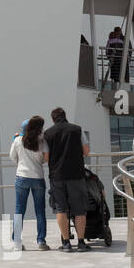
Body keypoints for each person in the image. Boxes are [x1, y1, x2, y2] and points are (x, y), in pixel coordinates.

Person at [44, 107, 92, 251]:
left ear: (53, 119)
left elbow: (46, 157)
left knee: (61, 209)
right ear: (65, 116)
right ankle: (82, 242)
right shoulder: (77, 129)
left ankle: (66, 243)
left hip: (57, 176)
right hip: (76, 174)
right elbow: (86, 151)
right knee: (80, 210)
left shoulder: (47, 134)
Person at [9, 115, 49, 251]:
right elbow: (45, 159)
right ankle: (41, 242)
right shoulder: (42, 141)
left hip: (21, 177)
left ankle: (17, 243)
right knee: (40, 211)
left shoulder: (18, 140)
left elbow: (12, 157)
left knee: (19, 210)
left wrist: (20, 164)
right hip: (37, 177)